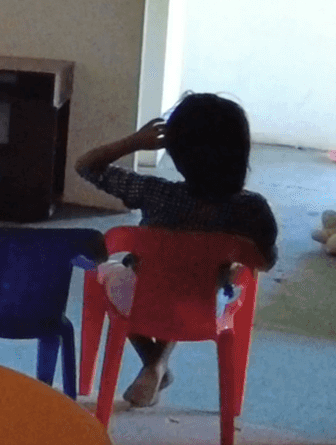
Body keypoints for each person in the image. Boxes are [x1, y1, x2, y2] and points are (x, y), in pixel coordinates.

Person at [75, 93, 278, 408]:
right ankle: (157, 365)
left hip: (145, 299)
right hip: (208, 304)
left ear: (176, 151)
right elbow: (265, 261)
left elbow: (86, 166)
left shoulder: (154, 192)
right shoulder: (252, 209)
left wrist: (134, 141)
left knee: (110, 274)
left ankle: (153, 362)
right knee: (210, 278)